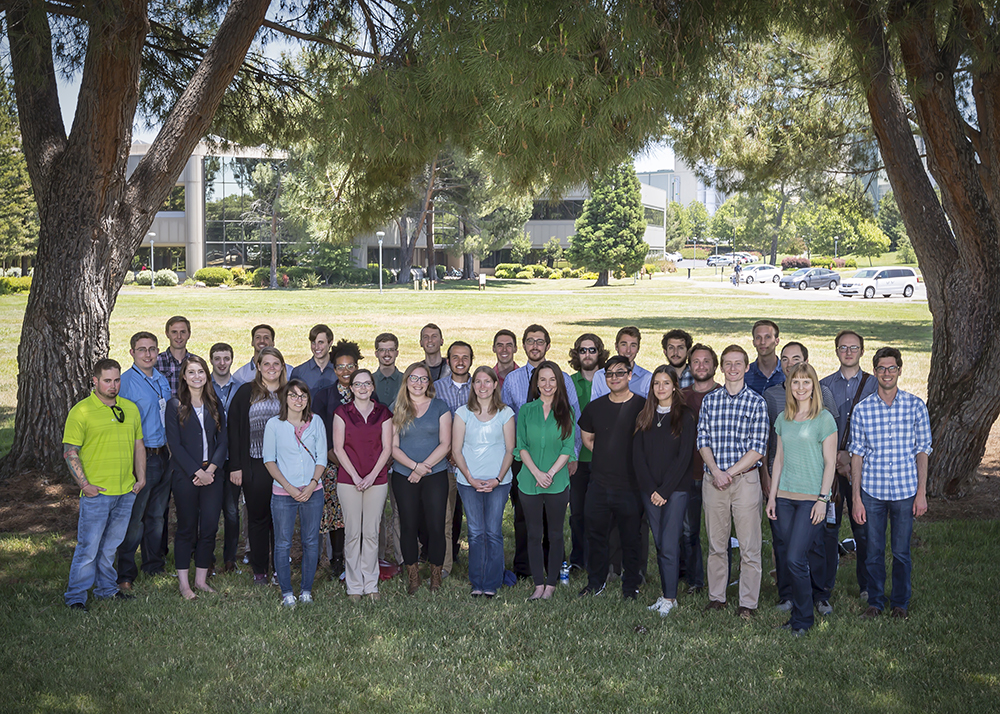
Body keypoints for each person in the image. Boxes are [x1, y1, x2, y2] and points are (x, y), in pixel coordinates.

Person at [851, 347, 932, 620]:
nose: (887, 373)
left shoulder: (915, 406)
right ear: (875, 372)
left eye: (892, 368)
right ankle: (875, 602)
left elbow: (923, 451)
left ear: (900, 369)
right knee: (873, 552)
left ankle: (900, 604)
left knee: (901, 552)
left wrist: (921, 493)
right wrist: (856, 498)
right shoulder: (862, 410)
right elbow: (857, 455)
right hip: (872, 491)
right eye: (882, 368)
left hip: (905, 491)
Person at [762, 341, 838, 613]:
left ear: (814, 386)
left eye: (806, 382)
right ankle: (797, 605)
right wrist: (772, 497)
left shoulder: (825, 419)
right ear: (789, 386)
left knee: (797, 556)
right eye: (796, 383)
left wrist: (822, 500)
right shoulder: (784, 418)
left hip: (810, 499)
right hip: (784, 498)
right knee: (788, 553)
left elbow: (830, 463)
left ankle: (806, 613)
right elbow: (778, 459)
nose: (801, 387)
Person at [63, 359, 145, 611]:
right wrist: (85, 484)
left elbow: (138, 445)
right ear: (95, 381)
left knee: (110, 546)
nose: (113, 385)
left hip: (126, 490)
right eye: (107, 380)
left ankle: (107, 589)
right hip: (97, 492)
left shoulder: (129, 408)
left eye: (117, 380)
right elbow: (70, 451)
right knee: (89, 547)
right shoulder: (81, 411)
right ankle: (76, 596)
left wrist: (141, 478)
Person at [501, 324, 581, 579]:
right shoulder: (512, 380)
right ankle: (526, 568)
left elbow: (574, 419)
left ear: (548, 345)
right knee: (524, 516)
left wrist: (574, 455)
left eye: (540, 341)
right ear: (523, 345)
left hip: (558, 458)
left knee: (554, 519)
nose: (535, 345)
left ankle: (555, 566)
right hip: (523, 458)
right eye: (530, 341)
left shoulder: (564, 378)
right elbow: (507, 419)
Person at [698, 344, 769, 618]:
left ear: (746, 367)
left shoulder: (756, 402)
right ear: (722, 367)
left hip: (744, 481)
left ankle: (747, 603)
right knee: (717, 543)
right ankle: (717, 597)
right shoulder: (710, 401)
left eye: (738, 363)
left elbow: (758, 447)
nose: (733, 368)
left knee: (750, 545)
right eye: (728, 363)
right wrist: (716, 471)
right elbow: (702, 439)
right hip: (713, 479)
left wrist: (730, 473)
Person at [578, 355, 647, 599]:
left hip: (630, 485)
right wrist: (608, 451)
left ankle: (631, 586)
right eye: (609, 374)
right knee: (595, 536)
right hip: (599, 484)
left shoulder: (643, 406)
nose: (614, 378)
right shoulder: (595, 407)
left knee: (631, 538)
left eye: (620, 373)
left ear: (630, 375)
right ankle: (595, 583)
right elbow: (587, 438)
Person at [633, 365, 696, 616]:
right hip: (650, 491)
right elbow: (637, 456)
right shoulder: (644, 415)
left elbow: (684, 458)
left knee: (669, 543)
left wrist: (665, 490)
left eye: (666, 383)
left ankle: (670, 598)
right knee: (660, 543)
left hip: (675, 490)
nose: (661, 388)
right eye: (656, 383)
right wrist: (651, 489)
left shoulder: (685, 415)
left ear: (674, 386)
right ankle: (666, 593)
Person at [820, 329, 877, 602]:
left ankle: (866, 586)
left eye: (854, 348)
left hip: (861, 469)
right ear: (836, 351)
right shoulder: (823, 386)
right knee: (828, 528)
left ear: (862, 352)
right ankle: (824, 585)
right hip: (829, 469)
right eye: (843, 348)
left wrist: (851, 458)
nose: (848, 352)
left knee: (862, 528)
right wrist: (837, 458)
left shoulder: (875, 385)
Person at [165, 355, 228, 600]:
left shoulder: (215, 403)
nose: (196, 377)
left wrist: (210, 470)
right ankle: (184, 584)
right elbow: (175, 445)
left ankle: (201, 580)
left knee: (210, 527)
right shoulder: (175, 405)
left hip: (212, 476)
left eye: (200, 372)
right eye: (191, 372)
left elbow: (223, 441)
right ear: (183, 376)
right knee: (186, 529)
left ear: (206, 375)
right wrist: (197, 472)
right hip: (186, 476)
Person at [452, 367, 515, 597]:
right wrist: (470, 477)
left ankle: (492, 582)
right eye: (477, 381)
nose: (482, 386)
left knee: (494, 532)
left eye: (487, 381)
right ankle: (477, 582)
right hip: (469, 482)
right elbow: (456, 450)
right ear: (472, 386)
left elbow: (510, 450)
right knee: (476, 532)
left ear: (495, 384)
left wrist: (497, 479)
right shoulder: (463, 413)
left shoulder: (506, 413)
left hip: (499, 481)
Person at [263, 380, 327, 608]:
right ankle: (287, 592)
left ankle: (306, 590)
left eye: (303, 395)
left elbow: (322, 458)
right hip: (283, 493)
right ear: (285, 398)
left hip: (313, 491)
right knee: (282, 543)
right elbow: (269, 460)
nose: (298, 400)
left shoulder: (316, 421)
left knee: (311, 541)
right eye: (293, 395)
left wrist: (311, 485)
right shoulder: (274, 425)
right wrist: (289, 488)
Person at [115, 331, 171, 588]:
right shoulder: (125, 383)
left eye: (152, 349)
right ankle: (125, 572)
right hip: (142, 457)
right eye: (142, 349)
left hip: (165, 455)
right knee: (135, 518)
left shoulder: (161, 380)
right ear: (132, 353)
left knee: (157, 516)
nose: (148, 354)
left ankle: (153, 565)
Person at [516, 361, 575, 600]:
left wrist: (549, 473)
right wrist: (537, 474)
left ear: (559, 383)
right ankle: (538, 584)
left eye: (552, 380)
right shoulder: (526, 410)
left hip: (557, 482)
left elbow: (568, 447)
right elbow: (521, 446)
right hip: (529, 482)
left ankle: (551, 584)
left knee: (556, 534)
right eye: (542, 380)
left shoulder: (566, 412)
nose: (547, 384)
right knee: (533, 534)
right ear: (536, 383)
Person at [228, 346, 288, 585]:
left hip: (285, 467)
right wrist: (236, 466)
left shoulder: (290, 393)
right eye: (266, 364)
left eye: (276, 364)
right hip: (255, 465)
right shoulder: (246, 393)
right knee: (259, 518)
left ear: (282, 367)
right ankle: (260, 569)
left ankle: (280, 568)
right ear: (258, 367)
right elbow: (233, 430)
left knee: (281, 519)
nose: (271, 368)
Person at [392, 363, 453, 594]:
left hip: (435, 475)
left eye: (423, 379)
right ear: (406, 381)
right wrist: (414, 467)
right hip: (403, 476)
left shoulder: (440, 407)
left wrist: (423, 468)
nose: (418, 383)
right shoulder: (397, 407)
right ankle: (414, 577)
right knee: (408, 526)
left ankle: (435, 577)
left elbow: (445, 444)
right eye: (413, 378)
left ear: (429, 382)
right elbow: (393, 447)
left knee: (436, 526)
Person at [333, 369, 393, 601]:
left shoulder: (383, 412)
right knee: (352, 533)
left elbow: (387, 448)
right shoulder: (342, 412)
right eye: (357, 384)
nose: (362, 388)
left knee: (370, 533)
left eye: (367, 384)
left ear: (373, 387)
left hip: (376, 480)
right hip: (349, 480)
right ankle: (354, 586)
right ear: (351, 388)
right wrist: (357, 477)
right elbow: (338, 448)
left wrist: (370, 476)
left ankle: (371, 583)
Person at [313, 339, 363, 580]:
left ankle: (360, 557)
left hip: (364, 467)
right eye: (341, 367)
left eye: (351, 366)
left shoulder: (364, 393)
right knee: (337, 515)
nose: (346, 372)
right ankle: (337, 560)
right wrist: (342, 463)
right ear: (334, 369)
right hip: (334, 464)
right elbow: (320, 434)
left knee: (359, 513)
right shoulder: (324, 396)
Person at [679, 343, 721, 595]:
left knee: (720, 533)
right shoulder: (680, 397)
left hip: (719, 475)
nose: (701, 366)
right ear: (689, 366)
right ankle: (695, 580)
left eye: (706, 361)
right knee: (689, 531)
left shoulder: (725, 394)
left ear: (715, 366)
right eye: (696, 361)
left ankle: (720, 579)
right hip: (688, 475)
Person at [567, 333, 609, 572]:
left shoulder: (608, 380)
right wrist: (571, 455)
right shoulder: (569, 382)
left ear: (599, 353)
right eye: (583, 350)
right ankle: (578, 560)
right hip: (578, 459)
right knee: (578, 513)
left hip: (604, 458)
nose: (587, 355)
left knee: (603, 513)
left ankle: (603, 560)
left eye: (592, 350)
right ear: (577, 354)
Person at [434, 341, 474, 577]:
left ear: (471, 359)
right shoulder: (436, 388)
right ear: (448, 361)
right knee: (445, 518)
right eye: (455, 357)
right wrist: (449, 450)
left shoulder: (481, 387)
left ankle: (479, 563)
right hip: (445, 464)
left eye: (465, 357)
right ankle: (446, 565)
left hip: (474, 464)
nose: (460, 361)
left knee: (478, 521)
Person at [210, 342, 244, 573]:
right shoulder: (204, 387)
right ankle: (207, 558)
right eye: (217, 358)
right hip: (208, 459)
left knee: (231, 511)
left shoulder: (241, 388)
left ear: (232, 360)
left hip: (232, 459)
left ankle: (230, 558)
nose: (222, 363)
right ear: (211, 360)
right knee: (209, 512)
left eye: (226, 358)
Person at [373, 332, 404, 565]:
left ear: (397, 352)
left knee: (400, 510)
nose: (386, 354)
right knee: (376, 512)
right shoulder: (366, 381)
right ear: (376, 353)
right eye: (382, 349)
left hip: (401, 455)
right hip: (373, 457)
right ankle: (378, 556)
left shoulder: (407, 381)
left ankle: (404, 558)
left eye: (390, 349)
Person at [590, 326, 652, 400]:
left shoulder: (647, 378)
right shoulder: (600, 376)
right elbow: (595, 407)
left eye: (633, 345)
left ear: (638, 348)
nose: (628, 350)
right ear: (616, 346)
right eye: (624, 344)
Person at [155, 316, 197, 396]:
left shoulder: (196, 362)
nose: (179, 336)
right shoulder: (156, 362)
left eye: (183, 332)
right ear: (167, 334)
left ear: (189, 334)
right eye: (174, 332)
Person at [291, 324, 337, 392]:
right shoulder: (298, 372)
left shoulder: (339, 371)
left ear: (330, 343)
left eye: (320, 342)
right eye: (313, 342)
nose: (316, 347)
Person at [745, 320, 784, 395]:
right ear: (753, 342)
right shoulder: (745, 374)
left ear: (777, 341)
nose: (763, 342)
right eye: (758, 337)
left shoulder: (787, 373)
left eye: (768, 337)